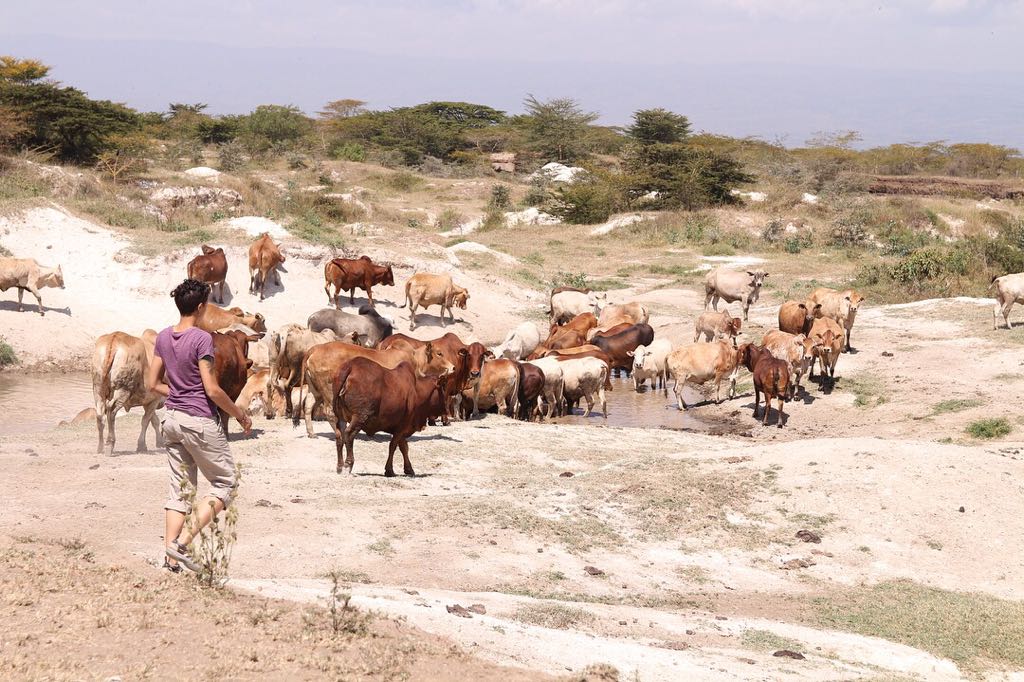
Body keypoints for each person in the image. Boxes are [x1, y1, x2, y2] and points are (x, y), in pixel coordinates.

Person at [146, 278, 251, 573]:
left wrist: (177, 392)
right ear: (202, 307)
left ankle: (169, 561)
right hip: (198, 421)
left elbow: (152, 383)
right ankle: (182, 544)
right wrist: (240, 415)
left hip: (171, 419)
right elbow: (213, 390)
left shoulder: (163, 337)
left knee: (179, 491)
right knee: (226, 483)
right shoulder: (202, 339)